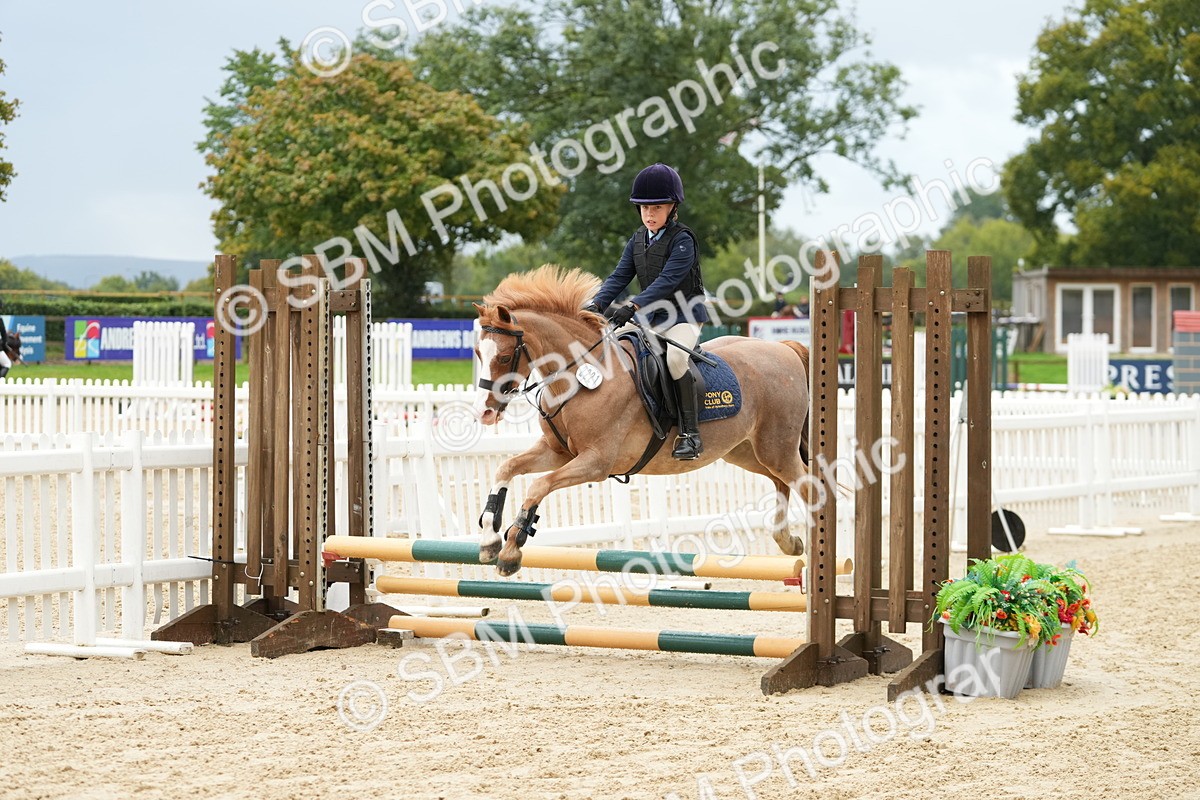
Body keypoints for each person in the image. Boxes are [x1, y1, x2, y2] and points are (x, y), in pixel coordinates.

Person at [584, 163, 709, 460]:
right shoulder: (637, 239)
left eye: (657, 207)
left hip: (684, 316)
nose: (650, 214)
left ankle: (690, 433)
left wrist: (633, 305)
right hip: (650, 319)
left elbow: (668, 281)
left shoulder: (683, 240)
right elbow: (619, 276)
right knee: (612, 350)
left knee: (677, 360)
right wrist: (596, 304)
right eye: (644, 208)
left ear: (672, 207)